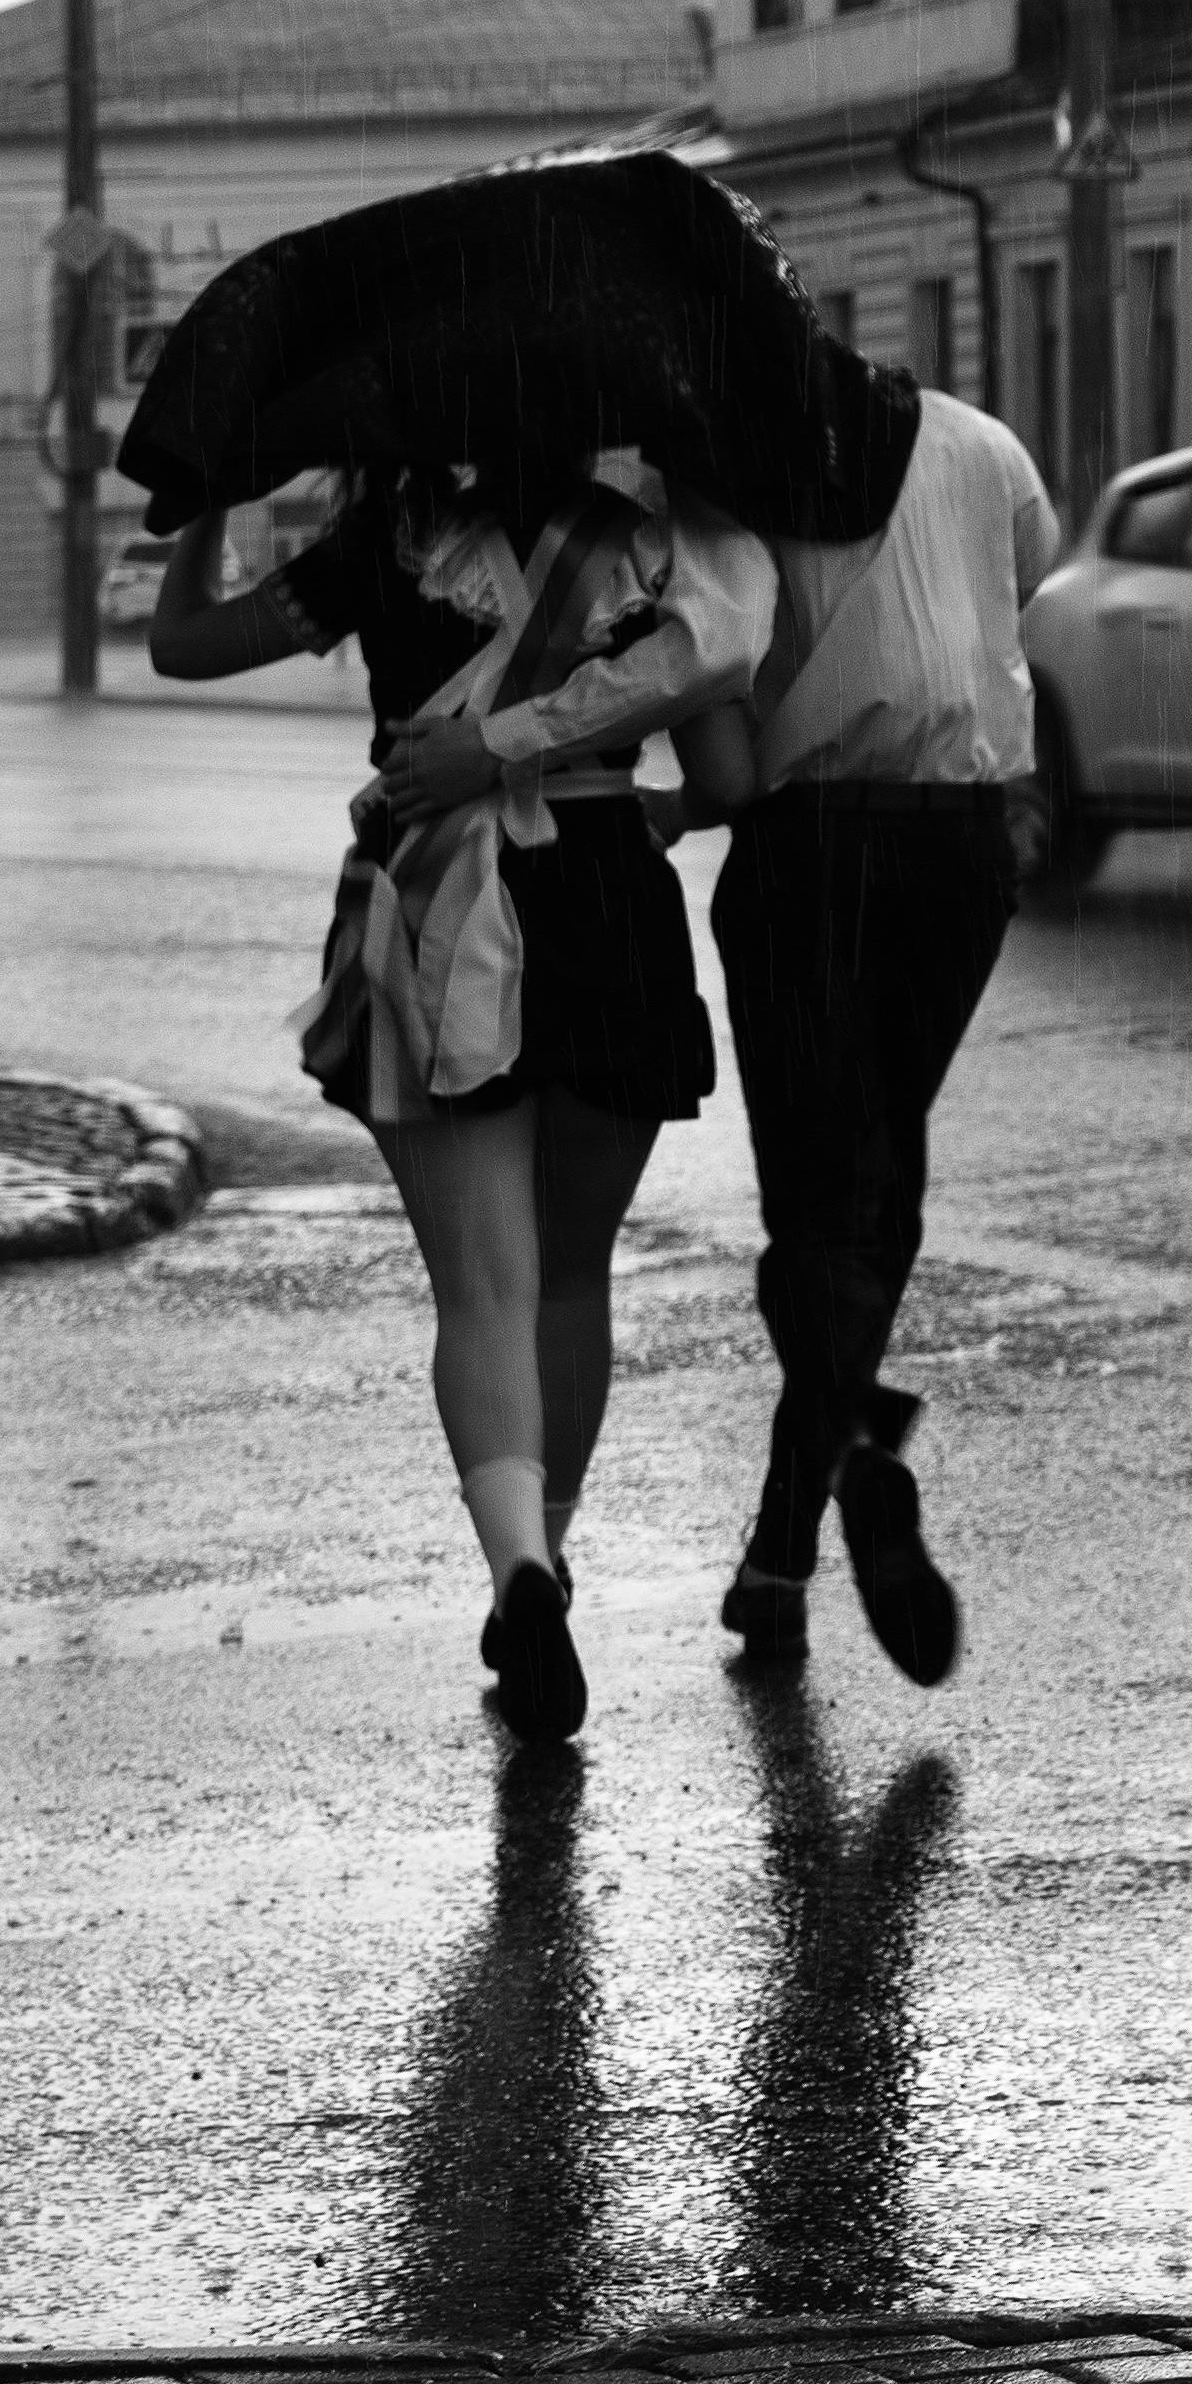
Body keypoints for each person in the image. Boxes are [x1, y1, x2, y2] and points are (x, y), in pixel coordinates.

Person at [150, 458, 775, 1741]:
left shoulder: (383, 539)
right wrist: (660, 794)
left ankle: (518, 1575)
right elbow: (734, 769)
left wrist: (203, 502)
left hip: (435, 906)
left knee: (483, 1286)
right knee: (571, 1275)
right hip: (609, 904)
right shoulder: (650, 544)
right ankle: (549, 1555)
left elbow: (182, 646)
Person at [648, 385, 1051, 1688]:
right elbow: (1027, 566)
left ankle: (862, 1455)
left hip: (813, 848)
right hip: (963, 843)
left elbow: (724, 737)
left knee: (819, 1215)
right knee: (876, 1189)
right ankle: (783, 1551)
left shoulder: (725, 473)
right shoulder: (976, 440)